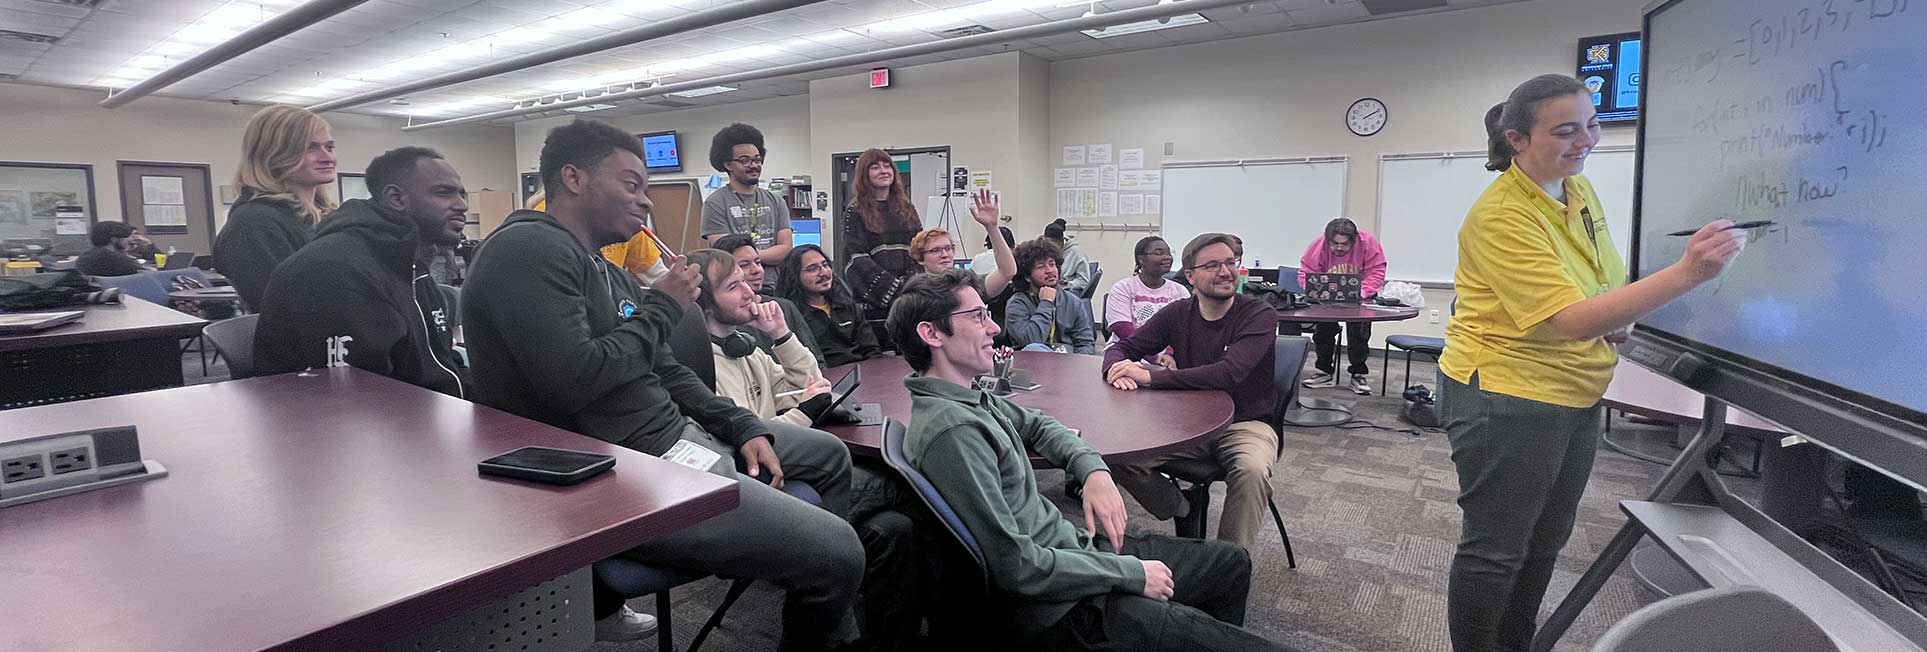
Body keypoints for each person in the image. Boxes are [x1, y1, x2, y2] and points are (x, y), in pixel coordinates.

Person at [460, 119, 863, 649]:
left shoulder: (604, 267)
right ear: (573, 178)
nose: (646, 201)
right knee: (840, 552)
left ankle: (812, 592)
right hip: (624, 467)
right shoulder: (527, 250)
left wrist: (740, 424)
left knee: (829, 455)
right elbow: (577, 380)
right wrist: (664, 306)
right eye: (631, 185)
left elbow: (665, 368)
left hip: (675, 436)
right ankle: (817, 584)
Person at [1440, 74, 1748, 652]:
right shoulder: (1501, 216)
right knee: (1497, 548)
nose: (1586, 141)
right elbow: (1569, 320)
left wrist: (1618, 313)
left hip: (1575, 387)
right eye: (1566, 131)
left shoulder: (1575, 190)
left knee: (1545, 541)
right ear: (1517, 138)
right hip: (1508, 395)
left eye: (1592, 124)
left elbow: (1597, 280)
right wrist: (1689, 273)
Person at [886, 268, 1287, 652]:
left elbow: (1040, 425)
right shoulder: (954, 432)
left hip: (1075, 552)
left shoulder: (969, 397)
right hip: (1061, 609)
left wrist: (1093, 471)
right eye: (977, 317)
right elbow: (1017, 567)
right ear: (931, 333)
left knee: (1231, 562)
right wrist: (1130, 574)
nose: (993, 328)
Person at [687, 249, 928, 650]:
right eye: (733, 287)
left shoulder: (746, 347)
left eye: (747, 282)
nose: (750, 292)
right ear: (703, 303)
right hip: (765, 482)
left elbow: (811, 384)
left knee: (892, 529)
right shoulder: (701, 367)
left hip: (798, 466)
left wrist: (782, 336)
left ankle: (880, 638)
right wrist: (806, 411)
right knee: (909, 486)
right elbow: (750, 442)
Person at [1102, 233, 1281, 547]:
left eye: (1230, 263)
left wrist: (1149, 378)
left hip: (1245, 423)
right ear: (1190, 276)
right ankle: (1183, 508)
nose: (1225, 272)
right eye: (1212, 265)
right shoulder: (1178, 313)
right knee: (1114, 452)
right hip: (1188, 422)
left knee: (1251, 471)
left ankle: (1228, 562)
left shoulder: (1258, 314)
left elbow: (1229, 373)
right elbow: (1123, 347)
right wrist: (1114, 368)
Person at [253, 146, 470, 397]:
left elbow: (441, 363)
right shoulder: (335, 269)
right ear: (396, 199)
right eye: (444, 193)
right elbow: (357, 395)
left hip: (431, 407)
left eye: (462, 194)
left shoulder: (409, 262)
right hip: (369, 415)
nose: (462, 205)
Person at [214, 104, 337, 310]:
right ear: (273, 154)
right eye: (310, 148)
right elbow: (289, 307)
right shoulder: (253, 225)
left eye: (329, 147)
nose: (327, 158)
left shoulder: (325, 216)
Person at [1297, 217, 1388, 395]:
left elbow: (1376, 271)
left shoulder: (1368, 243)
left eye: (1344, 244)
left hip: (1360, 297)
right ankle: (1323, 372)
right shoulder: (1319, 245)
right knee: (1323, 332)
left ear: (1354, 240)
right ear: (1328, 240)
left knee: (1359, 334)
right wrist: (1314, 291)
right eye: (1334, 243)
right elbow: (1306, 272)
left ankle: (1358, 374)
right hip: (1326, 299)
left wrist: (1362, 291)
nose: (1339, 248)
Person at [714, 233, 824, 363]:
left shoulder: (784, 307)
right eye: (744, 265)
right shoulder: (724, 317)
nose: (757, 270)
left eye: (758, 262)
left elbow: (817, 361)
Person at [700, 123, 792, 278]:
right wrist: (767, 254)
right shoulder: (715, 203)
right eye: (745, 160)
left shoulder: (776, 201)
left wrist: (747, 257)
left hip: (776, 284)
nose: (754, 165)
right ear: (728, 164)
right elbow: (725, 254)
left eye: (757, 159)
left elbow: (786, 249)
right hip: (738, 283)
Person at [841, 148, 924, 317]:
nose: (883, 171)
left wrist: (908, 286)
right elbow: (856, 258)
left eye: (887, 166)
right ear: (864, 175)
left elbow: (919, 249)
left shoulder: (907, 209)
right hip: (874, 308)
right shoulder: (854, 211)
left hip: (909, 301)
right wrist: (893, 289)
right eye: (875, 167)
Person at [774, 244, 882, 367]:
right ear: (794, 276)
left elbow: (871, 350)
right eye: (812, 269)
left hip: (860, 371)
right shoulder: (790, 315)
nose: (823, 273)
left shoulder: (846, 304)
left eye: (825, 265)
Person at [910, 188, 1017, 297]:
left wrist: (991, 227)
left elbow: (1007, 272)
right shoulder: (914, 293)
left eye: (948, 248)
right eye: (935, 250)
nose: (944, 255)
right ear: (920, 258)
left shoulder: (966, 285)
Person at [1003, 238, 1096, 354]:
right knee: (1034, 348)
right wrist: (1046, 303)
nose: (1049, 270)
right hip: (1033, 360)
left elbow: (1085, 343)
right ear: (1027, 276)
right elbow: (1030, 341)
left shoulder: (1072, 301)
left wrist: (1078, 361)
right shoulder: (1017, 304)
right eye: (1041, 267)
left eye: (1052, 264)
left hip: (1069, 360)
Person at [1104, 236, 1189, 340]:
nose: (1167, 257)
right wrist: (1155, 350)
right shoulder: (1123, 288)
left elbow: (1185, 329)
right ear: (1141, 259)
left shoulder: (1180, 291)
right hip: (1128, 347)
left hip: (1170, 349)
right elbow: (1122, 329)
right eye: (1159, 253)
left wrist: (1169, 350)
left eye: (1169, 253)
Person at [76, 221, 150, 276]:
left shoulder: (85, 256)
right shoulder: (114, 258)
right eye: (125, 237)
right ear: (114, 239)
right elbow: (147, 273)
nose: (129, 240)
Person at [1043, 218, 1094, 295]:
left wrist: (1067, 284)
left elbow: (1084, 281)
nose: (1050, 248)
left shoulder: (1076, 253)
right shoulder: (1043, 249)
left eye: (1053, 244)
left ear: (1061, 241)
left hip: (1067, 291)